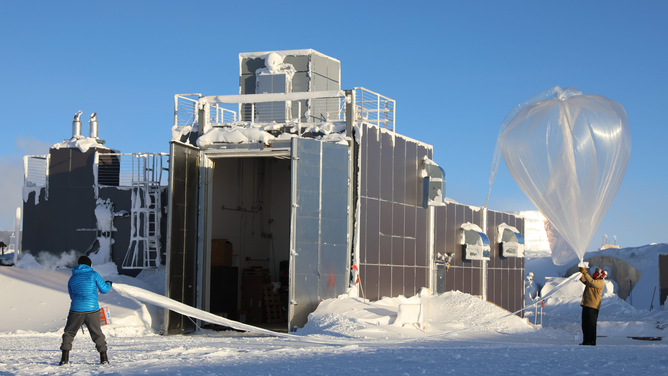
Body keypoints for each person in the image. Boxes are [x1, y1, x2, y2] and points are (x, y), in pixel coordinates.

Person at [59, 256, 113, 365]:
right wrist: (109, 284)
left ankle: (64, 358)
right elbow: (104, 290)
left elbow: (72, 296)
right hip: (92, 309)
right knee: (97, 334)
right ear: (90, 265)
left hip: (76, 309)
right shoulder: (93, 274)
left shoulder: (72, 278)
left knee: (69, 333)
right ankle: (104, 358)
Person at [578, 266, 607, 346]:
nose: (594, 274)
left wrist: (585, 272)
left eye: (596, 273)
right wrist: (581, 272)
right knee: (585, 324)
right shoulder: (592, 281)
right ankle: (586, 341)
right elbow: (584, 280)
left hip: (593, 306)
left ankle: (592, 341)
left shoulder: (600, 283)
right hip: (586, 304)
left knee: (591, 324)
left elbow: (590, 281)